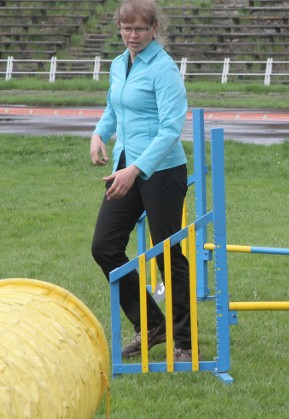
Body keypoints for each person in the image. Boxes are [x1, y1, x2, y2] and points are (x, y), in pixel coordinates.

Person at [89, 0, 194, 362]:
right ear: (118, 27)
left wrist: (136, 170)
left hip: (162, 171)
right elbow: (113, 107)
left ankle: (184, 342)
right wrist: (99, 134)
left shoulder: (163, 69)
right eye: (126, 28)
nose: (132, 35)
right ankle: (152, 325)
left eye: (140, 29)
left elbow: (170, 130)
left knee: (167, 254)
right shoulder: (120, 64)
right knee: (104, 246)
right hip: (125, 165)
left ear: (153, 29)